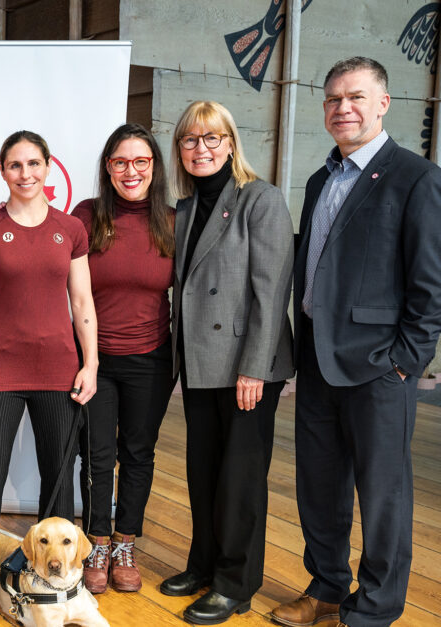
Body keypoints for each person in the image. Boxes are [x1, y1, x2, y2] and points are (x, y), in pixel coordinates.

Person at [271, 56, 441, 627]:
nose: (343, 108)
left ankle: (374, 607)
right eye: (333, 99)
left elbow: (430, 286)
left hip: (378, 369)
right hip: (318, 360)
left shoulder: (415, 178)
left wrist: (404, 363)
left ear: (384, 103)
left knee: (382, 496)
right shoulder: (322, 178)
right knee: (320, 488)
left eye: (357, 97)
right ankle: (324, 588)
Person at [0, 130, 98, 627]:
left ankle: (64, 583)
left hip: (58, 369)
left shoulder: (71, 228)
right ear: (2, 171)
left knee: (60, 478)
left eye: (34, 164)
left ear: (49, 168)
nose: (26, 173)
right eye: (15, 165)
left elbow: (82, 302)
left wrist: (90, 362)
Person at [159, 100, 294, 625]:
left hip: (245, 362)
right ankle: (204, 564)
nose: (201, 148)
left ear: (231, 143)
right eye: (190, 140)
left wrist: (254, 368)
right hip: (199, 362)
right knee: (203, 471)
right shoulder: (187, 208)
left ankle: (236, 583)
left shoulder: (260, 199)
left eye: (212, 138)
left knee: (239, 478)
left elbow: (271, 290)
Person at [70, 123, 175, 594]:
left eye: (140, 162)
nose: (130, 171)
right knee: (96, 455)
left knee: (138, 454)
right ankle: (96, 542)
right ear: (107, 167)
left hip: (151, 359)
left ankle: (124, 542)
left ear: (154, 166)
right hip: (94, 358)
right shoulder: (87, 215)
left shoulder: (173, 221)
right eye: (120, 162)